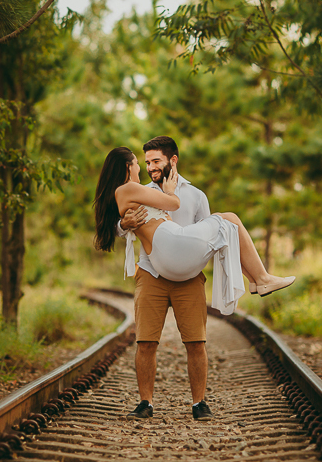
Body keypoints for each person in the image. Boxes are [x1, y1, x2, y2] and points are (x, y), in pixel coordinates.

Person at [94, 138, 295, 422]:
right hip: (154, 269)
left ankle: (199, 403)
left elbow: (208, 236)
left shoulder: (197, 196)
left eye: (155, 161)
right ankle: (145, 402)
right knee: (146, 341)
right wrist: (125, 223)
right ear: (129, 167)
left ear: (172, 160)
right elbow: (125, 221)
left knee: (196, 341)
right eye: (144, 162)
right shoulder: (137, 189)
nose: (149, 167)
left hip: (184, 265)